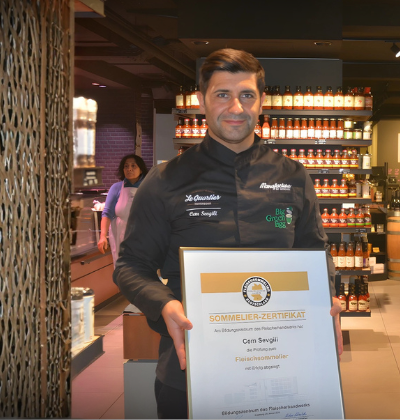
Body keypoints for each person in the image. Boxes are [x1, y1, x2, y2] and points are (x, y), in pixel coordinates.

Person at [113, 48, 342, 419]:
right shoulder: (165, 180)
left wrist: (326, 296)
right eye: (223, 94)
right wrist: (163, 303)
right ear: (202, 100)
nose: (236, 107)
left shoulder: (293, 177)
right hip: (192, 368)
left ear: (261, 102)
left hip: (282, 366)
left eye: (247, 95)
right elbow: (131, 265)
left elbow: (315, 253)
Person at [97, 154, 148, 263]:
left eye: (133, 166)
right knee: (123, 266)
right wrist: (103, 236)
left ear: (141, 169)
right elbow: (107, 213)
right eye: (126, 166)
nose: (129, 169)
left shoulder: (149, 187)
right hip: (120, 234)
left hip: (143, 233)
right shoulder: (116, 188)